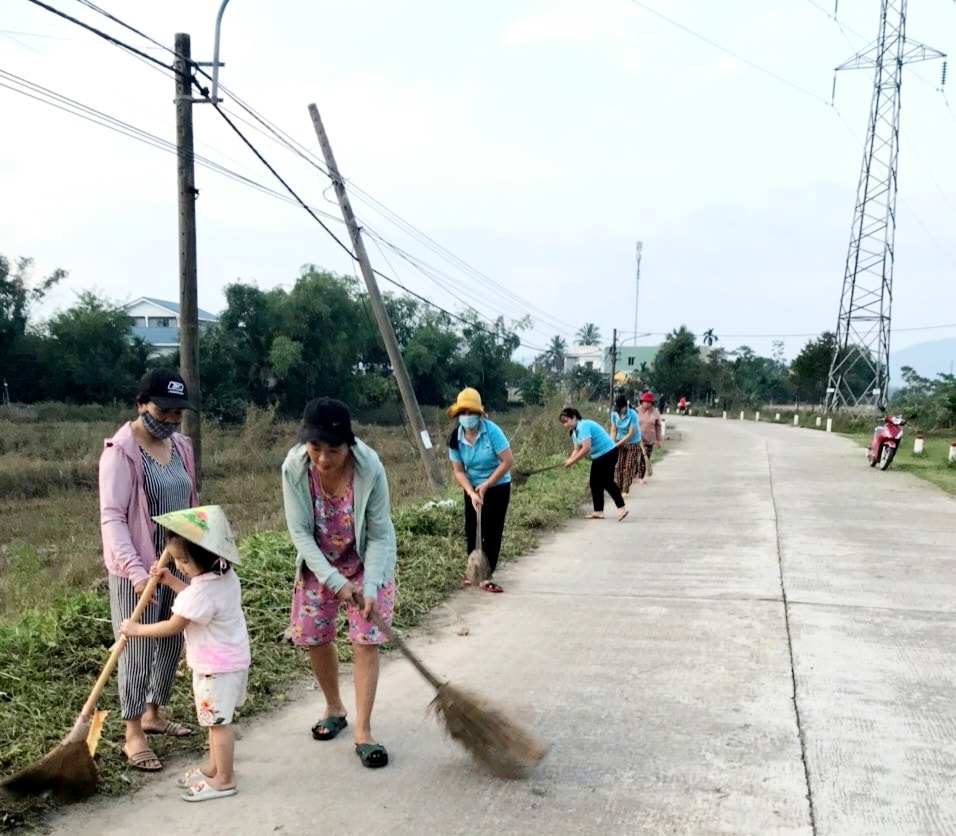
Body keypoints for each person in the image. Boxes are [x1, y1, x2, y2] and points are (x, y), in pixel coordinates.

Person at [282, 397, 396, 769]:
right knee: (314, 633)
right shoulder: (294, 468)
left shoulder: (370, 467)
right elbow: (299, 533)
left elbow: (379, 534)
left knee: (366, 638)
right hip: (319, 561)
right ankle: (334, 707)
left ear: (350, 444)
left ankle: (363, 730)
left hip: (366, 560)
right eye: (315, 448)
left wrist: (372, 586)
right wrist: (334, 581)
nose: (323, 459)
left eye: (333, 449)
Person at [99, 367, 198, 772]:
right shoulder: (120, 452)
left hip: (178, 561)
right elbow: (112, 518)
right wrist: (137, 573)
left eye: (178, 413)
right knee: (137, 647)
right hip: (136, 566)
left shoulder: (182, 447)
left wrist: (200, 558)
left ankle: (154, 713)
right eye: (164, 410)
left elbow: (192, 502)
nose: (172, 420)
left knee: (175, 638)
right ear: (141, 405)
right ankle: (132, 731)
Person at [120, 506, 250, 802]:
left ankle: (225, 779)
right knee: (213, 721)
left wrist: (135, 629)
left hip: (215, 668)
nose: (178, 565)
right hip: (230, 662)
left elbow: (173, 625)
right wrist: (171, 581)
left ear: (203, 559)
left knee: (217, 725)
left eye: (183, 560)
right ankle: (215, 767)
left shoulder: (200, 594)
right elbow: (194, 598)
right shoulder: (224, 578)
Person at [446, 387, 514, 594]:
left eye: (471, 412)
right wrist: (471, 492)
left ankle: (487, 574)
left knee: (492, 530)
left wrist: (487, 485)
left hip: (498, 484)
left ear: (478, 413)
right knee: (472, 528)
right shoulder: (455, 439)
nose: (467, 417)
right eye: (463, 413)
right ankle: (473, 571)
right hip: (472, 485)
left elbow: (507, 461)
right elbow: (458, 471)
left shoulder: (491, 431)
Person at [559, 407, 628, 522]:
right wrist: (569, 460)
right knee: (594, 482)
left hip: (608, 452)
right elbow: (576, 449)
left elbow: (586, 448)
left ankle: (621, 508)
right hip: (598, 456)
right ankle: (598, 511)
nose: (565, 424)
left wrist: (573, 461)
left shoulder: (583, 426)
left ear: (574, 417)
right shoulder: (573, 432)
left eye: (567, 421)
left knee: (607, 481)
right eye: (563, 423)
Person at [609, 394, 642, 495]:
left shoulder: (633, 414)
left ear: (625, 406)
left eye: (620, 409)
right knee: (618, 466)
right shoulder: (614, 413)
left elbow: (631, 433)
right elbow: (614, 429)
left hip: (632, 442)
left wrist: (618, 443)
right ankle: (618, 488)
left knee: (628, 466)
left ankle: (625, 489)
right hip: (619, 440)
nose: (618, 412)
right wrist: (612, 443)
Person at [637, 392, 663, 483]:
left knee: (645, 458)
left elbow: (658, 426)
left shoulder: (655, 412)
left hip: (649, 440)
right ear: (642, 401)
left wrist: (659, 440)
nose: (647, 403)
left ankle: (641, 477)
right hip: (636, 440)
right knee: (634, 458)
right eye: (645, 401)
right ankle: (633, 475)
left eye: (649, 402)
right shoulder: (636, 411)